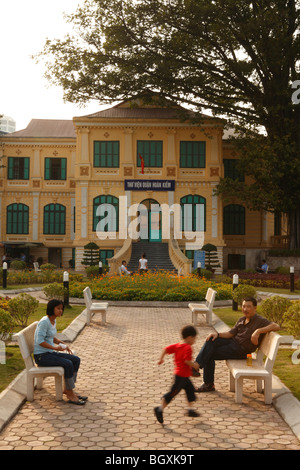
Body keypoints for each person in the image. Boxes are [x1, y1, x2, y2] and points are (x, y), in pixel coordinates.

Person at [193, 297, 280, 393]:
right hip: (232, 342)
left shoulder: (259, 320)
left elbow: (276, 326)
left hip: (240, 350)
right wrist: (217, 334)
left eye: (248, 307)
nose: (245, 309)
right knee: (210, 340)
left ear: (255, 308)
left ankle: (207, 382)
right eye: (243, 306)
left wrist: (258, 331)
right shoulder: (242, 319)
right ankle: (198, 366)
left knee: (209, 354)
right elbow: (230, 334)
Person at [34, 299, 87, 405]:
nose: (61, 311)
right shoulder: (45, 322)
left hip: (49, 353)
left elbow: (50, 336)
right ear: (51, 309)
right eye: (58, 308)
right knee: (67, 363)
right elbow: (39, 341)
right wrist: (55, 348)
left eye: (61, 308)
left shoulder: (53, 320)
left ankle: (68, 389)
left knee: (76, 360)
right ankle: (70, 393)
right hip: (41, 356)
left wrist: (60, 342)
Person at [154, 325, 200, 424]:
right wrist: (195, 365)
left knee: (190, 390)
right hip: (181, 376)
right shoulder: (188, 347)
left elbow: (166, 349)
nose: (195, 341)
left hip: (184, 376)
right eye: (194, 338)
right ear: (189, 337)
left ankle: (190, 409)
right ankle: (159, 409)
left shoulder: (178, 345)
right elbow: (187, 361)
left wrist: (161, 358)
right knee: (172, 393)